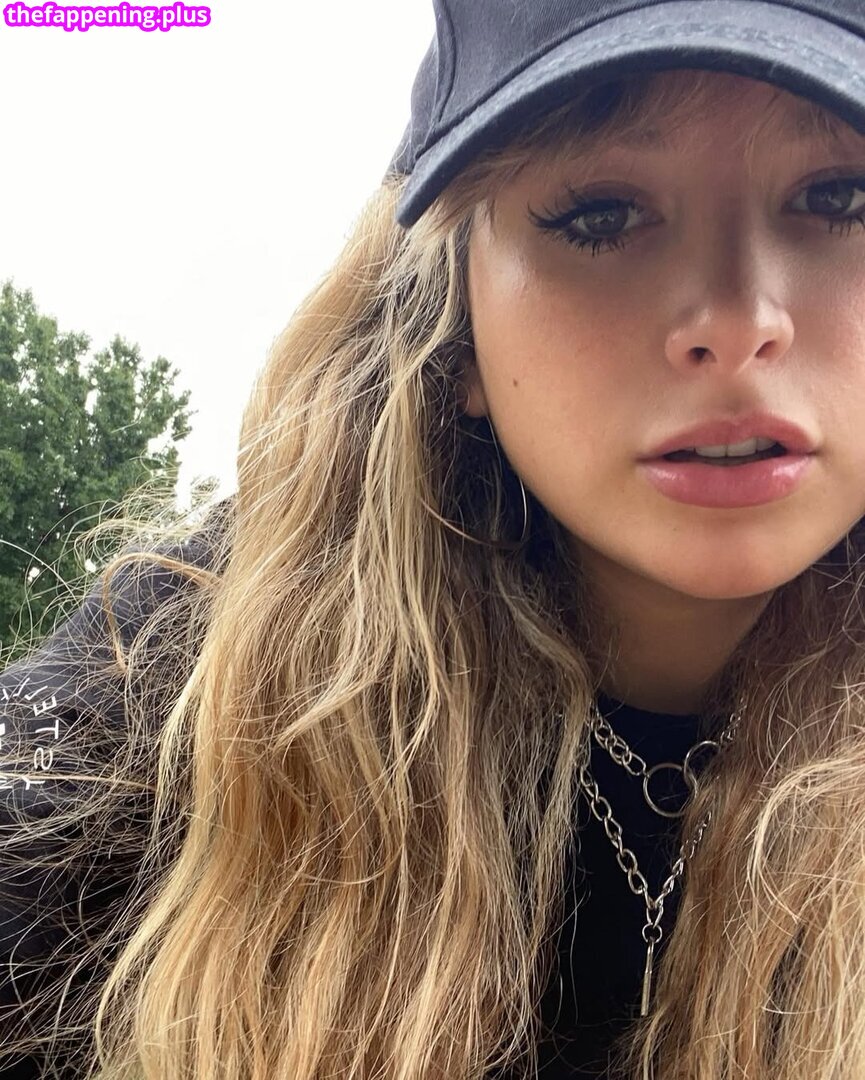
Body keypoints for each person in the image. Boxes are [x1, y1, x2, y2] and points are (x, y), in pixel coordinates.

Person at [2, 0, 865, 1076]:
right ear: (453, 323)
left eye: (840, 197)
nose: (739, 321)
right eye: (602, 215)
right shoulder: (181, 681)